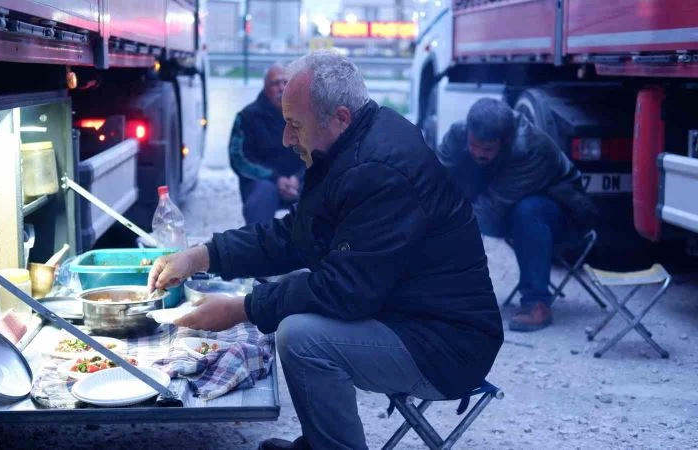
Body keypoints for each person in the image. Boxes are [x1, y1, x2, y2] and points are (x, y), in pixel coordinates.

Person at [149, 52, 504, 450]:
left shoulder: (380, 170)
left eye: (294, 125)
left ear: (339, 117)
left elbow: (345, 292)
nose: (286, 138)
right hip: (407, 312)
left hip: (446, 344)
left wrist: (242, 308)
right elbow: (295, 235)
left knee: (302, 337)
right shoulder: (351, 149)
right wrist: (202, 255)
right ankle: (321, 442)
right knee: (292, 309)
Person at [436, 98, 600, 332]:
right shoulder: (457, 135)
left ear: (507, 140)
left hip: (561, 216)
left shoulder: (533, 148)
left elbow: (490, 212)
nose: (479, 153)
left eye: (488, 149)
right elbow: (433, 181)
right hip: (502, 207)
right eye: (474, 145)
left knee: (528, 210)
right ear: (468, 132)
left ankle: (537, 304)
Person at [229, 63, 305, 225]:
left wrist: (298, 178)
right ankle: (256, 245)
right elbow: (238, 159)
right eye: (275, 83)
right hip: (263, 183)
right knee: (263, 194)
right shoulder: (247, 117)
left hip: (299, 181)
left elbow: (319, 152)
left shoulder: (305, 115)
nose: (281, 88)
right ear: (265, 87)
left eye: (286, 83)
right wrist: (275, 178)